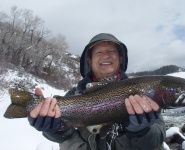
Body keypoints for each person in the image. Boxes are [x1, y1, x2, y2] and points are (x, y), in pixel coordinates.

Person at [28, 33, 166, 150]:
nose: (106, 56)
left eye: (111, 51)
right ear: (89, 61)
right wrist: (54, 130)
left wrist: (141, 131)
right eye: (99, 52)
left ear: (121, 58)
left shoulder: (141, 92)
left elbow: (157, 137)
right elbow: (65, 137)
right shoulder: (74, 95)